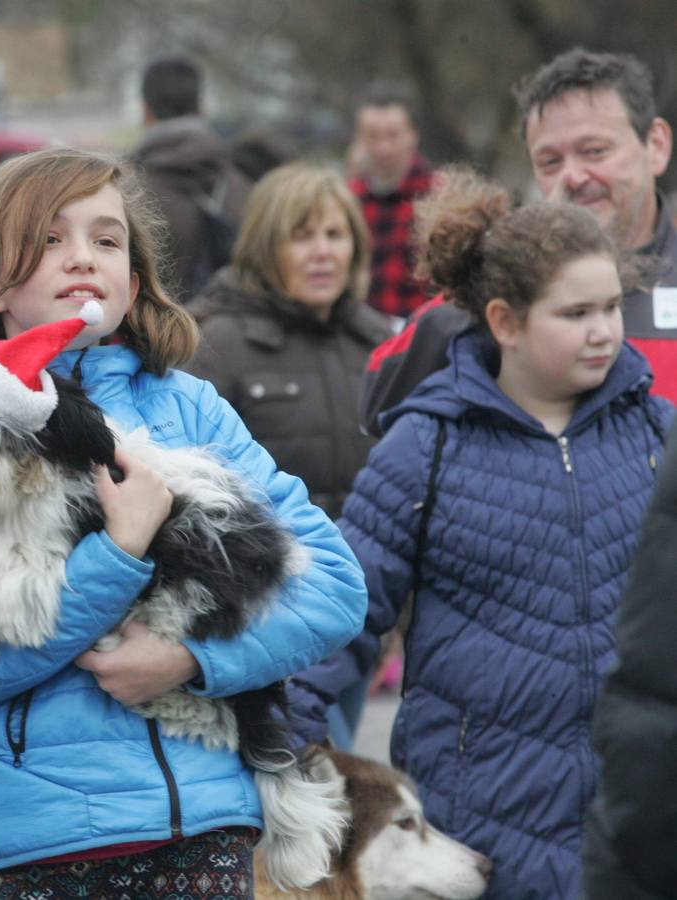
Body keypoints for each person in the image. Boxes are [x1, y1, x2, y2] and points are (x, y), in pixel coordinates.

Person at [0, 147, 368, 898]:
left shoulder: (191, 408)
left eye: (106, 240)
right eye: (49, 239)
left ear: (133, 283)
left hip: (205, 828)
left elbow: (334, 589)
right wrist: (123, 551)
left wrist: (190, 662)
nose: (82, 257)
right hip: (43, 844)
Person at [333, 166, 672, 898]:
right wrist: (285, 756)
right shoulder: (424, 447)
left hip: (637, 812)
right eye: (575, 312)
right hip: (478, 822)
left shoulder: (656, 432)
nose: (603, 330)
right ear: (504, 322)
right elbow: (339, 615)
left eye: (613, 306)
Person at [361, 47, 677, 435]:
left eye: (594, 151)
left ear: (656, 146)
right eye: (550, 162)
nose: (574, 176)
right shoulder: (500, 281)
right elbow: (375, 407)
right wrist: (485, 306)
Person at [187, 162, 391, 751]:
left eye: (335, 235)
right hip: (260, 618)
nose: (323, 252)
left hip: (357, 614)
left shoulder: (377, 343)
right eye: (302, 236)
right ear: (263, 247)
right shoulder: (216, 344)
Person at [582, 420, 677, 899]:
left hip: (627, 771)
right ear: (506, 337)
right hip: (494, 776)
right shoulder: (431, 439)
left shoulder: (653, 425)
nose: (601, 337)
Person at [133, 54, 251, 302]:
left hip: (155, 335)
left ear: (145, 111)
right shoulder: (238, 183)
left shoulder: (127, 191)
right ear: (201, 109)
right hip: (227, 331)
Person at [348, 83, 434, 322]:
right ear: (359, 138)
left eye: (393, 135)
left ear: (413, 134)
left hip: (421, 339)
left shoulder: (439, 200)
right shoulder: (347, 200)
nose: (383, 147)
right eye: (373, 136)